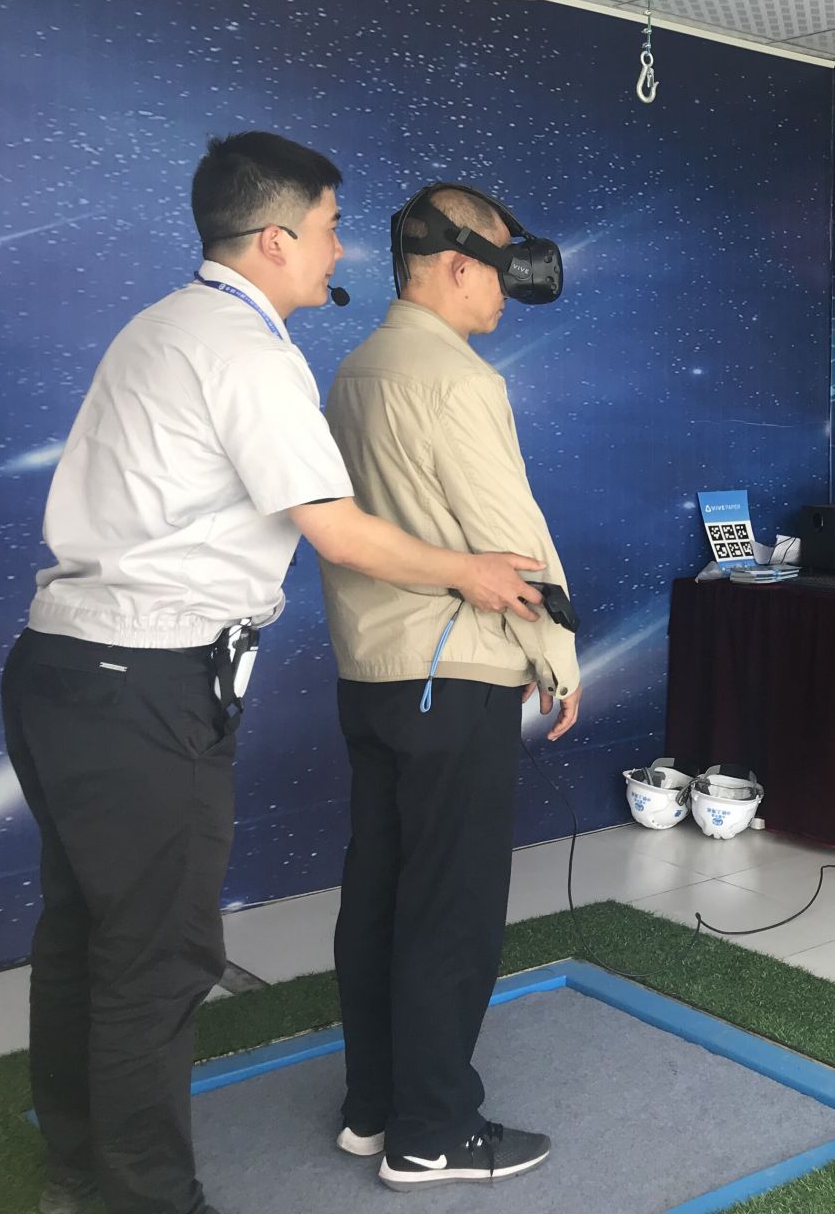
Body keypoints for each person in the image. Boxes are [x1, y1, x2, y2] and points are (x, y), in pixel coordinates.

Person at [1, 133, 549, 1214]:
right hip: (145, 684)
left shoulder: (163, 326)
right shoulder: (251, 352)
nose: (344, 248)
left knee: (83, 937)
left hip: (61, 666)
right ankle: (149, 1199)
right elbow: (335, 529)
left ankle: (78, 1165)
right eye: (331, 227)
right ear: (275, 239)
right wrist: (472, 573)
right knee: (157, 959)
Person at [319, 181, 581, 1189]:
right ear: (458, 264)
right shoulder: (459, 380)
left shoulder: (356, 368)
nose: (506, 292)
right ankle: (431, 1134)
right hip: (455, 672)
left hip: (373, 675)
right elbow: (508, 545)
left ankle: (372, 1108)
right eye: (499, 270)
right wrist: (558, 659)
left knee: (381, 894)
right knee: (451, 906)